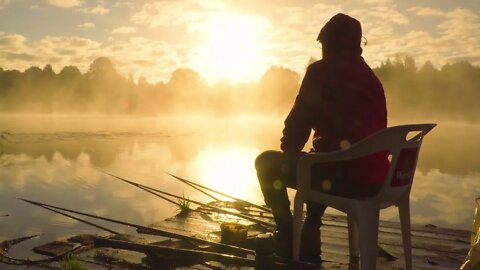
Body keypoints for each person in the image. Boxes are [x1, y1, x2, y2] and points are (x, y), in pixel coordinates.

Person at [255, 13, 389, 265]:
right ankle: (311, 228)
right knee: (322, 160)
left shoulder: (320, 72)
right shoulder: (372, 79)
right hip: (379, 180)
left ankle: (287, 234)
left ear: (328, 43)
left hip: (346, 179)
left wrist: (291, 153)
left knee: (266, 163)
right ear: (358, 45)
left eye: (323, 45)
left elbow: (295, 129)